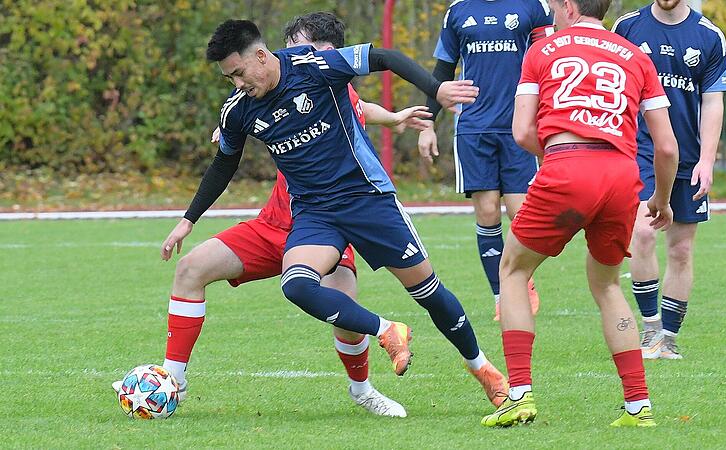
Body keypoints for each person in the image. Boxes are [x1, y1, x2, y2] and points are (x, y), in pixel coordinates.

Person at [160, 18, 509, 412]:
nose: (237, 84)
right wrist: (189, 219)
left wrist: (437, 88)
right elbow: (223, 164)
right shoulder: (240, 111)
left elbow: (385, 56)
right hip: (315, 213)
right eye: (229, 79)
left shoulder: (313, 64)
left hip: (367, 199)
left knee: (428, 291)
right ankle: (387, 330)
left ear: (261, 56)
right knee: (296, 285)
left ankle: (483, 369)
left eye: (238, 73)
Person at [480, 0, 679, 428]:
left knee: (513, 270)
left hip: (568, 166)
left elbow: (521, 131)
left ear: (568, 5)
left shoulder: (542, 50)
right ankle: (638, 405)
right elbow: (666, 147)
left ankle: (518, 394)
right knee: (607, 285)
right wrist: (661, 199)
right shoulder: (636, 55)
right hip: (622, 174)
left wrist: (558, 154)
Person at [418, 0, 554, 320]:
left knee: (522, 214)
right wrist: (427, 124)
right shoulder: (458, 11)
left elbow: (549, 61)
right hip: (473, 127)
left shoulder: (533, 6)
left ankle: (522, 279)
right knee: (488, 209)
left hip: (519, 125)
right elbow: (442, 70)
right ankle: (501, 294)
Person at [613, 0, 726, 360]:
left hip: (689, 157)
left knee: (681, 249)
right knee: (644, 233)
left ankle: (668, 337)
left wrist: (707, 161)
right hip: (642, 152)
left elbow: (713, 102)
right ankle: (650, 331)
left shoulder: (708, 35)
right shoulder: (628, 28)